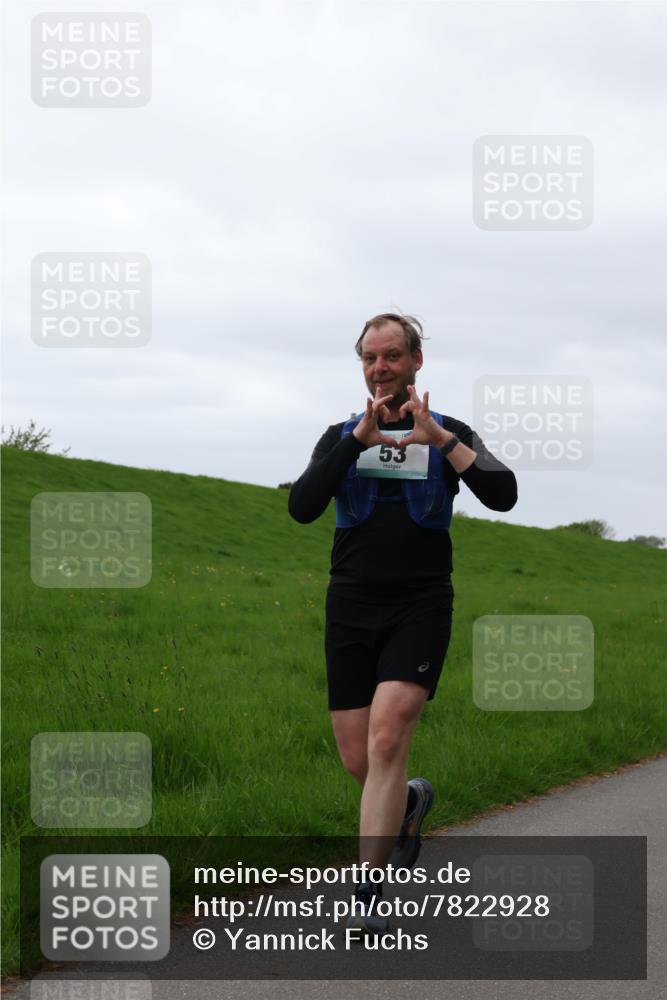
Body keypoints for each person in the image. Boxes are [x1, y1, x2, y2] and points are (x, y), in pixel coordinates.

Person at [288, 313, 517, 934]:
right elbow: (302, 507)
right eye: (370, 358)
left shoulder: (450, 433)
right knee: (358, 757)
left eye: (392, 356)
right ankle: (411, 800)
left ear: (417, 361)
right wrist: (355, 443)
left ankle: (368, 895)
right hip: (351, 606)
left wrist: (439, 440)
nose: (381, 367)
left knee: (387, 741)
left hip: (420, 604)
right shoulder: (342, 434)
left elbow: (504, 493)